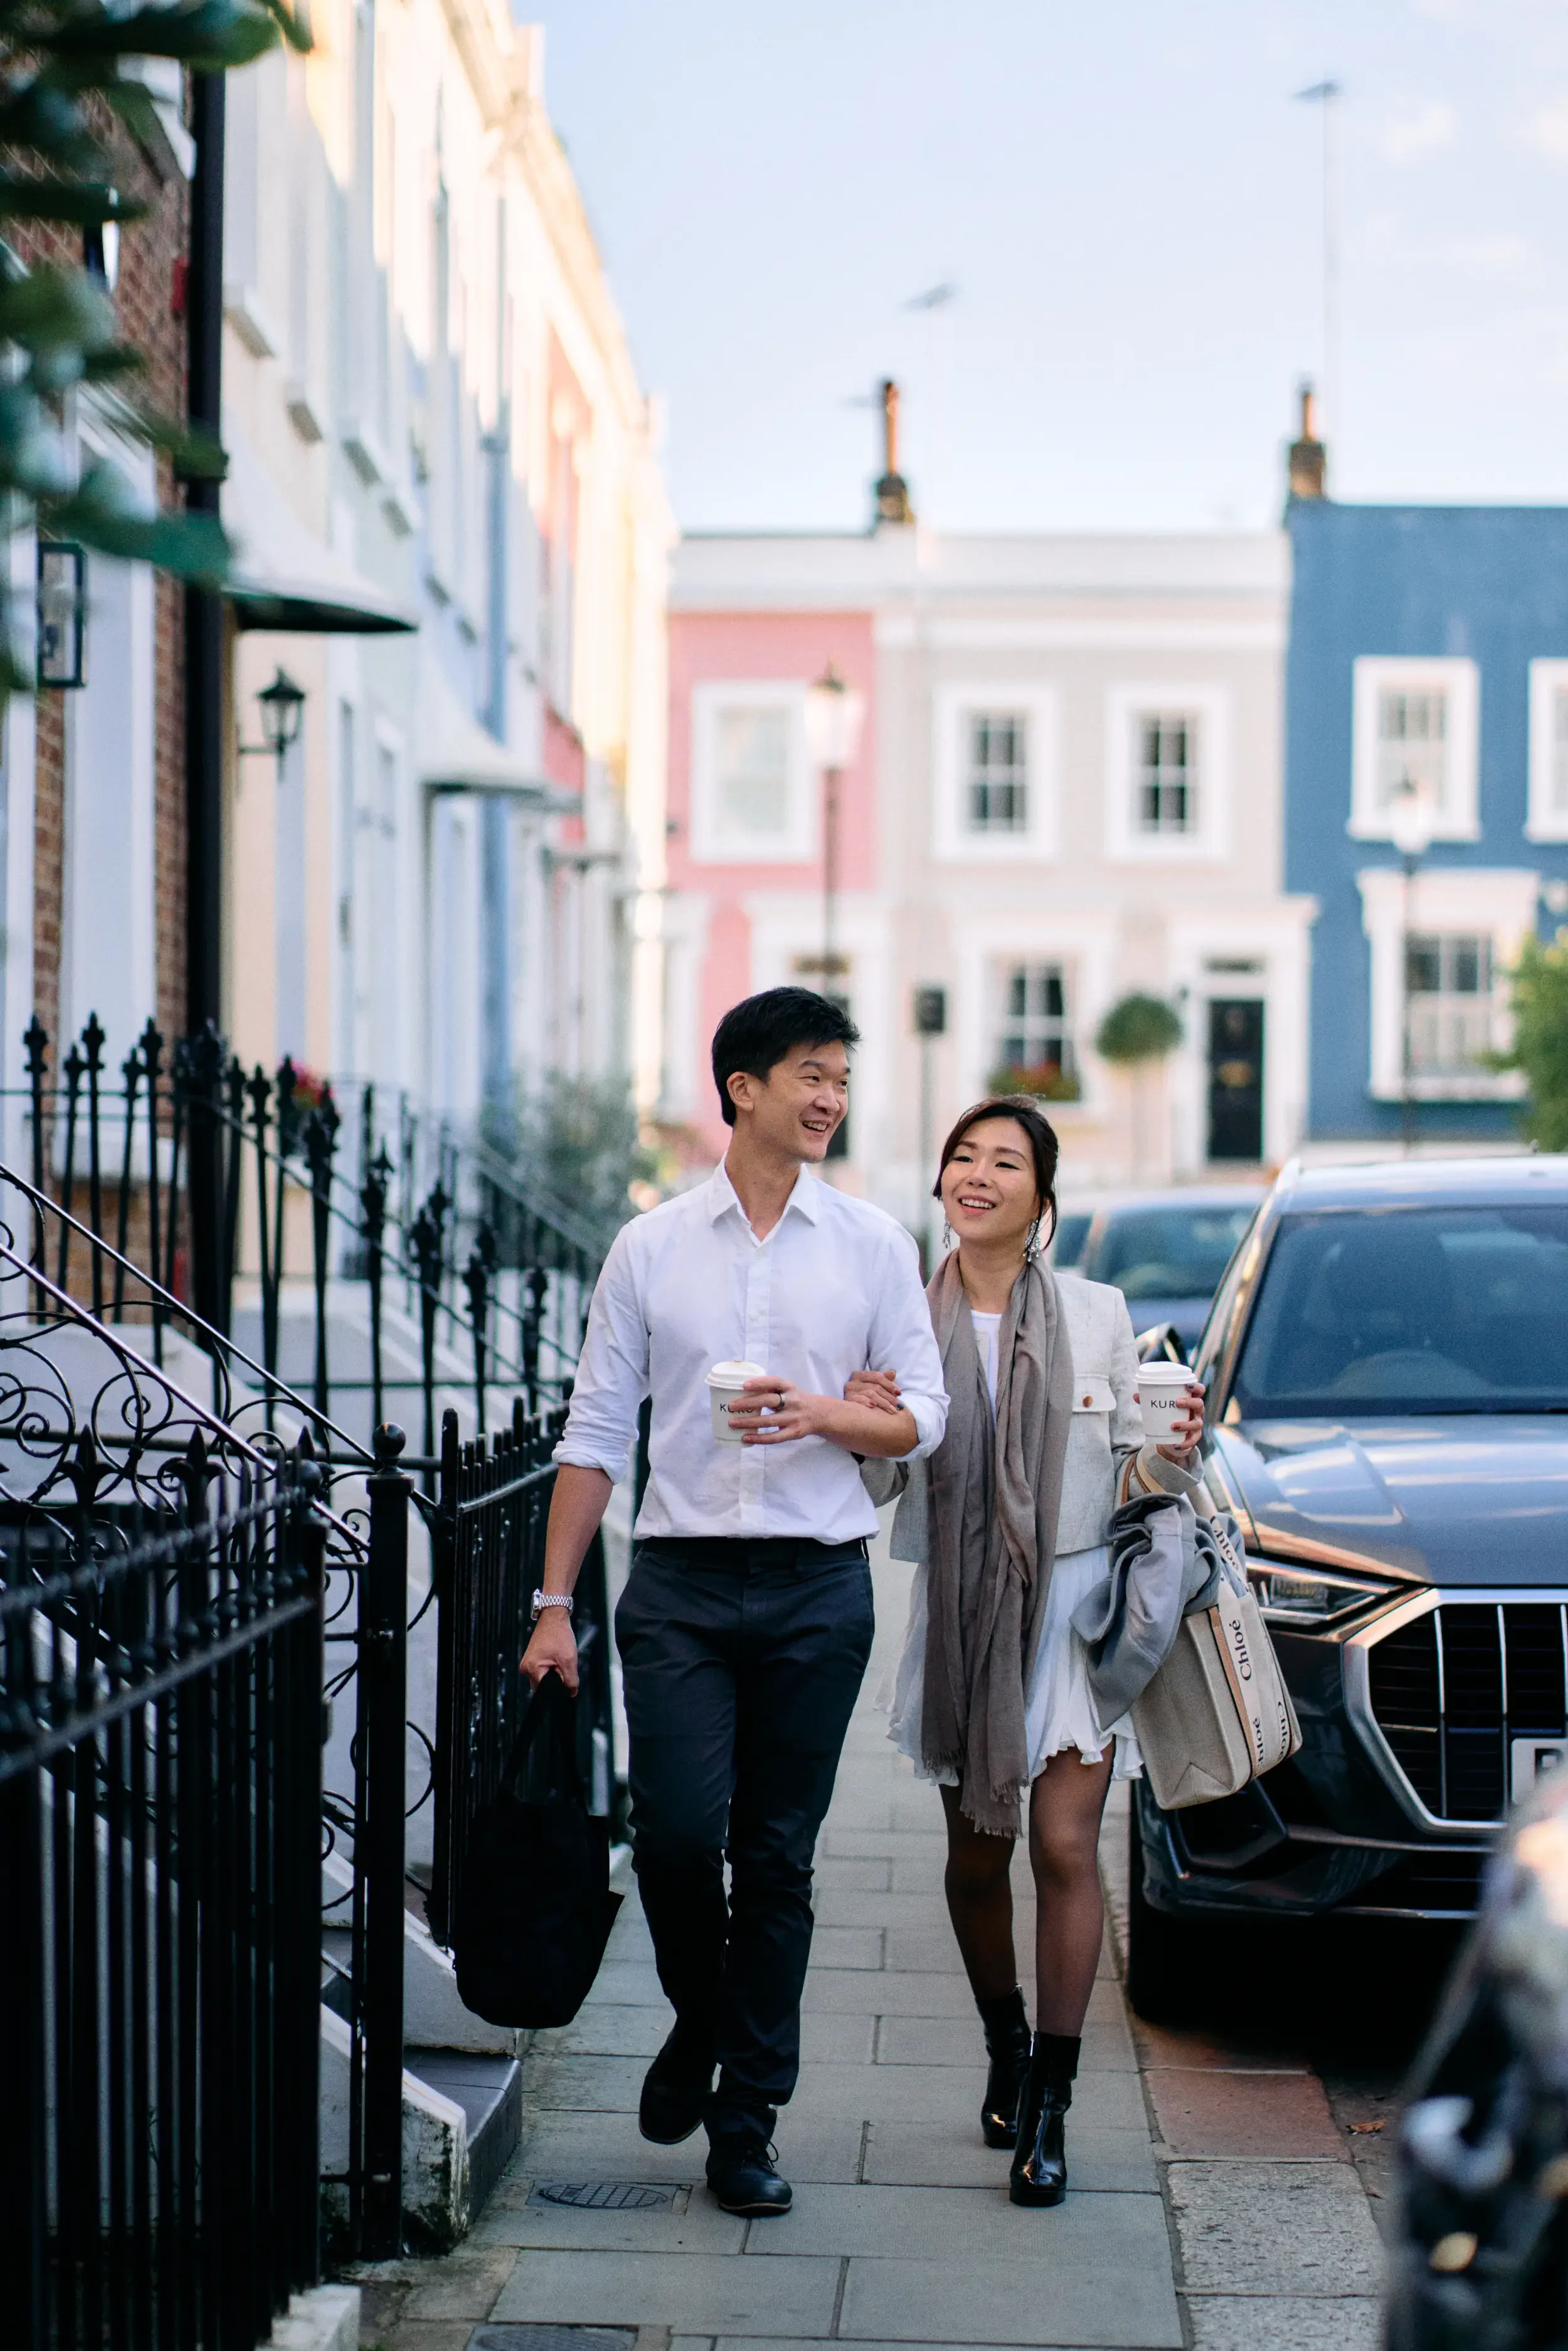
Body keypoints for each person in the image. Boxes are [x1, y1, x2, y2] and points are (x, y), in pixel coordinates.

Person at [520, 987, 948, 2218]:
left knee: (772, 1859)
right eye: (807, 1073)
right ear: (741, 1088)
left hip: (820, 1581)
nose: (828, 1097)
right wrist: (556, 1601)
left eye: (840, 1078)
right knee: (669, 1836)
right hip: (679, 1590)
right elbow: (596, 1432)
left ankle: (744, 2121)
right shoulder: (648, 1249)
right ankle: (699, 2021)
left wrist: (826, 1411)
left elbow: (925, 1412)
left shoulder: (870, 1243)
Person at [854, 1096, 1204, 2207]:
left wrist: (1177, 1447)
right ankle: (1003, 2040)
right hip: (963, 1621)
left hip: (1076, 1614)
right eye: (962, 1155)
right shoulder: (906, 1319)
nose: (978, 1174)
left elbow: (1147, 1479)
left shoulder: (1098, 1313)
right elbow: (877, 1486)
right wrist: (863, 1418)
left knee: (1062, 1847)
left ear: (1040, 1203)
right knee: (973, 1862)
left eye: (1006, 1162)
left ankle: (1050, 2104)